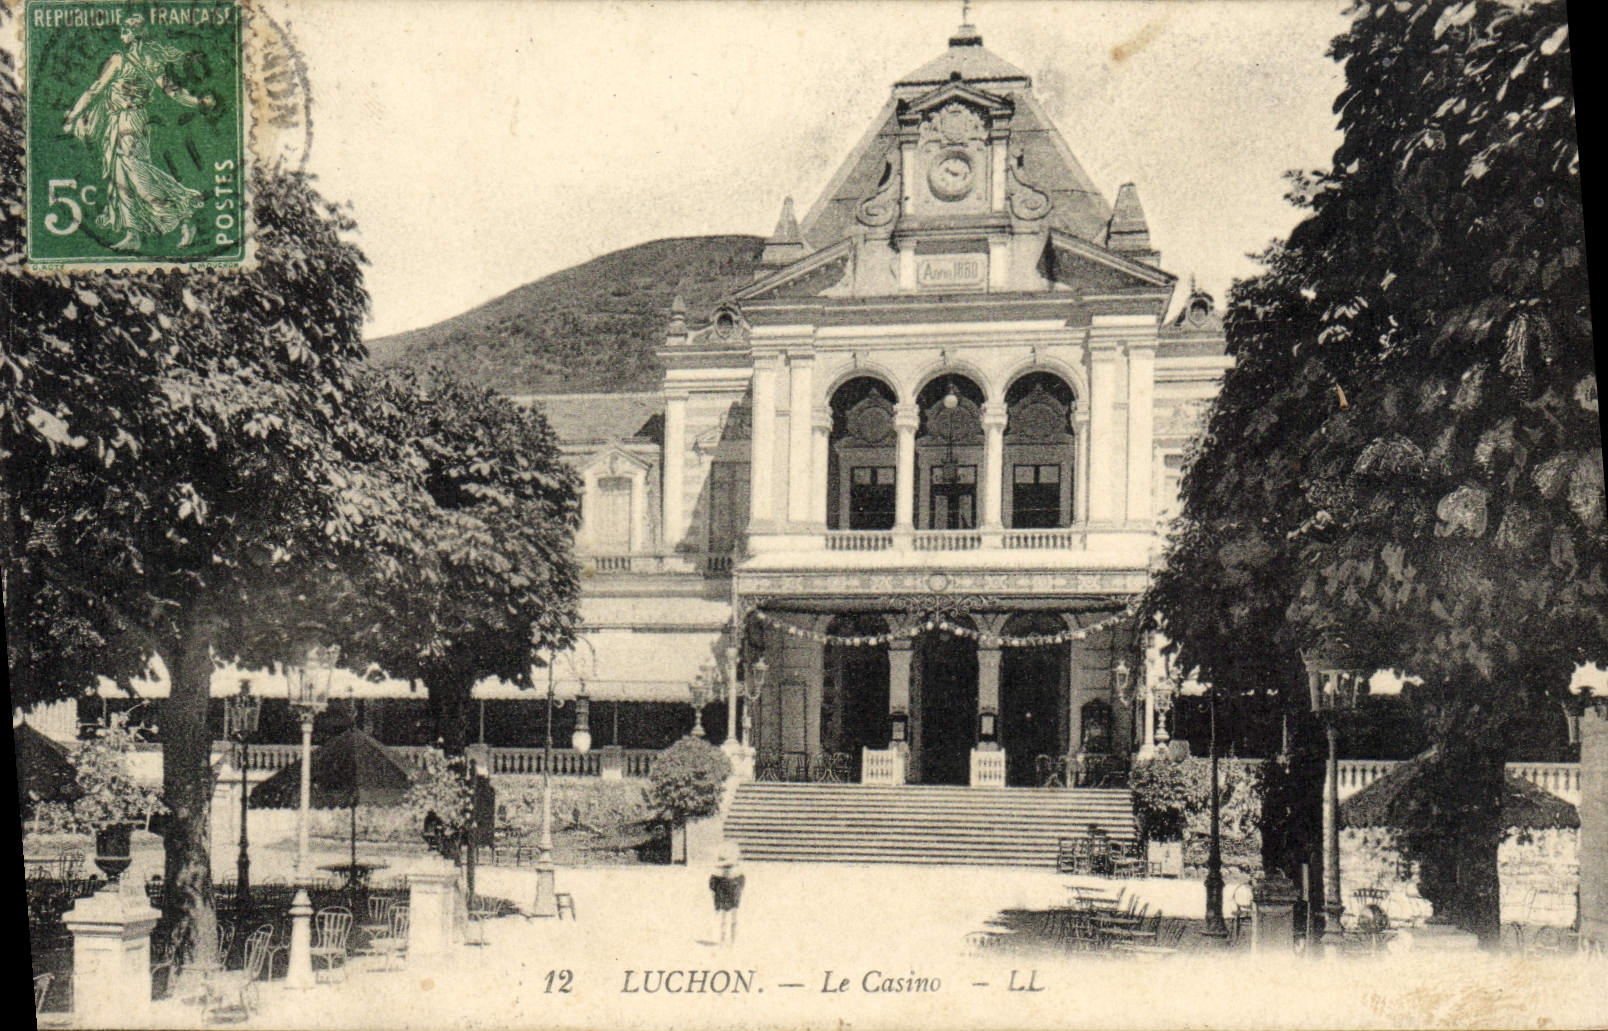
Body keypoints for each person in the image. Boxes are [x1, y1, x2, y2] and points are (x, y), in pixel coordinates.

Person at [62, 13, 213, 252]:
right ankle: (133, 234)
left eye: (125, 31)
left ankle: (184, 213)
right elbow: (174, 91)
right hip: (121, 121)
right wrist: (197, 102)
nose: (121, 35)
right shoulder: (152, 60)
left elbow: (94, 91)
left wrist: (72, 117)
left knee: (137, 173)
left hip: (128, 121)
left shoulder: (120, 60)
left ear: (134, 35)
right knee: (120, 178)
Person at [708, 842, 745, 946]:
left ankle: (730, 940)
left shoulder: (736, 875)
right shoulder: (719, 875)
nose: (727, 869)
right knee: (726, 918)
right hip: (726, 891)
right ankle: (724, 940)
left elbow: (712, 886)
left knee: (732, 917)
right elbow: (712, 886)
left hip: (731, 891)